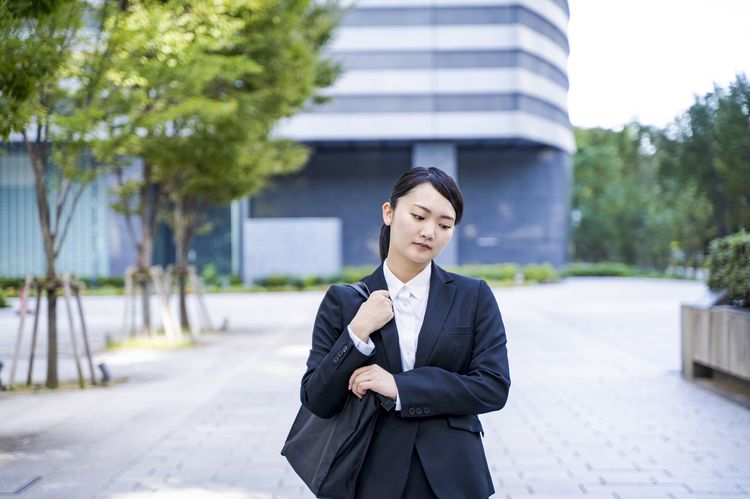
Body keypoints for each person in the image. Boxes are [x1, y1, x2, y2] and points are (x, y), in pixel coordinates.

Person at [300, 166, 511, 499]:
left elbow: (493, 387)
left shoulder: (473, 296)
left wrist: (400, 387)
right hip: (369, 474)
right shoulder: (344, 301)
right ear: (389, 212)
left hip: (453, 476)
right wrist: (357, 333)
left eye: (444, 225)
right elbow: (316, 398)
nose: (429, 232)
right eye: (418, 216)